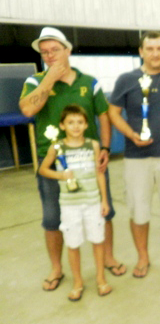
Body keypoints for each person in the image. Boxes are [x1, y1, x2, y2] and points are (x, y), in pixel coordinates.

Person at [20, 27, 126, 292]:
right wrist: (48, 80)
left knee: (103, 211)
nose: (50, 56)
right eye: (44, 52)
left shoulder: (89, 82)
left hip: (89, 158)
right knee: (52, 217)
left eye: (54, 50)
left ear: (67, 50)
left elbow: (103, 115)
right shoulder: (35, 81)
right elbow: (28, 109)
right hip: (53, 160)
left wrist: (105, 148)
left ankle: (108, 258)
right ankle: (57, 268)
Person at [108, 31, 160, 278]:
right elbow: (113, 113)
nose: (155, 53)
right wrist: (131, 135)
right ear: (141, 52)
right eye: (150, 49)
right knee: (139, 211)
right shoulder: (126, 80)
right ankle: (143, 258)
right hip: (136, 157)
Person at [39, 105, 112, 301]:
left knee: (98, 240)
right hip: (70, 204)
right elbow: (43, 169)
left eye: (80, 122)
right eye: (70, 122)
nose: (76, 126)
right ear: (62, 125)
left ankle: (100, 279)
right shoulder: (57, 147)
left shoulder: (93, 145)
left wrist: (104, 200)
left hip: (92, 202)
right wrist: (61, 175)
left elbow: (99, 173)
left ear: (86, 124)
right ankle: (77, 282)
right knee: (73, 244)